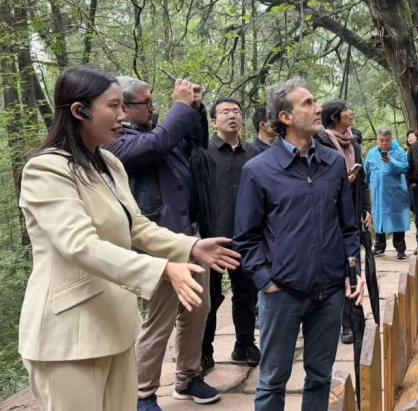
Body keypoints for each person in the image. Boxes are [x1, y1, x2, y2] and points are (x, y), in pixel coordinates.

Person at [18, 67, 240, 411]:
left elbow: (136, 226)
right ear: (80, 110)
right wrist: (164, 269)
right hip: (68, 335)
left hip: (116, 324)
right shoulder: (46, 170)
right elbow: (80, 245)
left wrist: (191, 246)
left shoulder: (108, 163)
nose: (122, 117)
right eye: (114, 106)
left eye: (124, 106)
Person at [233, 79, 364, 411]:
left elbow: (348, 227)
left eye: (315, 100)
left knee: (320, 376)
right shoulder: (258, 170)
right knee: (273, 380)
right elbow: (246, 238)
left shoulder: (333, 163)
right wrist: (266, 280)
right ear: (286, 117)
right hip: (283, 293)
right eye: (307, 103)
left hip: (329, 291)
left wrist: (353, 272)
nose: (318, 108)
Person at [107, 76, 222, 410]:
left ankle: (188, 377)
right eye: (146, 102)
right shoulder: (116, 143)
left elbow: (196, 142)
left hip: (188, 237)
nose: (153, 106)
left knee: (198, 310)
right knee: (159, 320)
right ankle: (143, 393)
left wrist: (196, 109)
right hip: (155, 245)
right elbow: (157, 145)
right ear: (124, 109)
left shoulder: (157, 131)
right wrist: (180, 107)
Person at [199, 98, 262, 374]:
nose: (232, 116)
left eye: (236, 111)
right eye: (225, 112)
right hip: (211, 237)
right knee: (209, 297)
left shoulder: (254, 154)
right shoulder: (203, 153)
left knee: (247, 293)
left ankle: (245, 344)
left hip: (247, 236)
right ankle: (204, 351)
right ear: (214, 121)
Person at [314, 100, 370, 345]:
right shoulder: (321, 142)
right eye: (347, 110)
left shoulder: (353, 143)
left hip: (352, 212)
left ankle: (353, 321)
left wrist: (365, 208)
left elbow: (363, 180)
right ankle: (338, 321)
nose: (351, 112)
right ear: (335, 117)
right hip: (330, 216)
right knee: (336, 269)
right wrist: (341, 179)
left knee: (353, 264)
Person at [364, 129, 410, 259]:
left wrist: (391, 161)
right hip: (377, 193)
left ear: (391, 139)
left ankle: (400, 248)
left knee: (397, 218)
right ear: (377, 140)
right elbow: (366, 172)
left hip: (395, 193)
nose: (384, 143)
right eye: (381, 141)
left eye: (387, 140)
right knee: (378, 218)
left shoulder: (399, 151)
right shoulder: (372, 153)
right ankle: (379, 246)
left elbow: (405, 167)